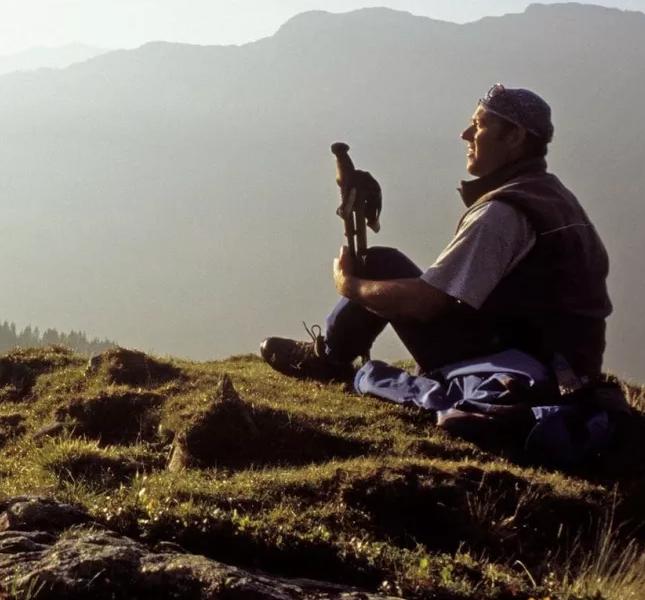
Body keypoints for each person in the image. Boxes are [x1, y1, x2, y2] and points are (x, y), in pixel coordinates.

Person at [261, 85, 612, 398]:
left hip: (519, 369)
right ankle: (332, 353)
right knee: (386, 265)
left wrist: (350, 285)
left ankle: (327, 360)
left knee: (379, 265)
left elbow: (425, 303)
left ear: (515, 136)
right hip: (562, 365)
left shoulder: (504, 214)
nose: (465, 134)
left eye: (479, 125)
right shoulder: (552, 196)